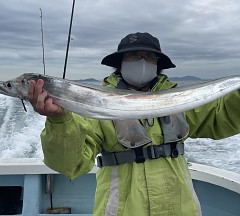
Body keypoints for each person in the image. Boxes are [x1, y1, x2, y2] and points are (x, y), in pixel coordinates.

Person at [28, 32, 240, 216]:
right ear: (120, 63)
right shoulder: (94, 104)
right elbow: (70, 165)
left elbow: (222, 117)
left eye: (149, 56)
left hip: (181, 208)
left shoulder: (179, 99)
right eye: (134, 55)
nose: (142, 61)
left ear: (158, 65)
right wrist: (59, 120)